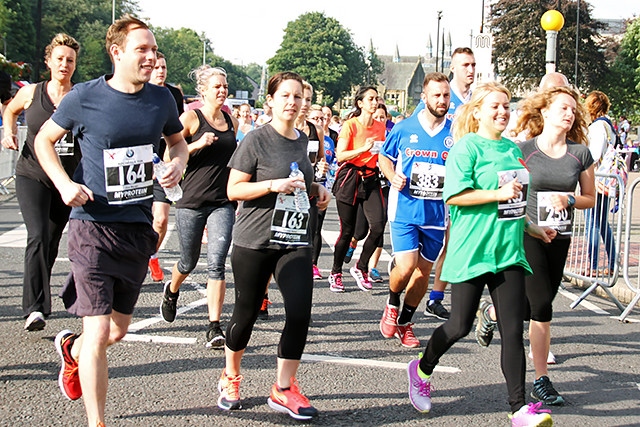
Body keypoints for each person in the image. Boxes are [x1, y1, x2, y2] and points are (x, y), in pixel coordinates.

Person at [34, 15, 188, 427]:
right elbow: (42, 140)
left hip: (136, 228)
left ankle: (72, 350)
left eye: (154, 50)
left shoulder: (161, 100)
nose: (152, 57)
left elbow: (178, 142)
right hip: (91, 225)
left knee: (116, 331)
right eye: (143, 50)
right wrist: (65, 184)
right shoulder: (83, 97)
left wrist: (177, 164)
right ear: (117, 52)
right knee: (100, 332)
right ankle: (97, 422)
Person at [405, 82, 555, 427]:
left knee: (513, 330)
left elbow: (514, 202)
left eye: (506, 106)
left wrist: (533, 228)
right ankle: (422, 368)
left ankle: (518, 408)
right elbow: (454, 197)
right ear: (477, 112)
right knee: (458, 325)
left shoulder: (513, 150)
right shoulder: (466, 148)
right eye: (495, 107)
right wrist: (496, 193)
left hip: (508, 252)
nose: (503, 112)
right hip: (472, 250)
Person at [218, 71, 330, 420]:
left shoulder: (304, 138)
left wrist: (317, 191)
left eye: (297, 97)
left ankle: (283, 388)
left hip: (294, 239)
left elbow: (303, 180)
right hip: (254, 240)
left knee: (299, 311)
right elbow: (233, 190)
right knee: (246, 313)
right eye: (285, 96)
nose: (292, 103)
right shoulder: (255, 139)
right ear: (271, 100)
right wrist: (271, 185)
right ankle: (231, 375)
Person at [509, 86, 594, 406]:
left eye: (573, 110)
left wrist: (568, 198)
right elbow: (512, 193)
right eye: (563, 108)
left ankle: (491, 312)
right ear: (544, 112)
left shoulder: (580, 153)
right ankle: (541, 380)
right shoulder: (524, 150)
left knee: (536, 305)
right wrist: (527, 224)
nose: (570, 114)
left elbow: (589, 197)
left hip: (561, 237)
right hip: (529, 235)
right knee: (543, 305)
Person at [2, 34, 82, 332]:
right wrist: (8, 132)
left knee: (50, 241)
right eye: (59, 59)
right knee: (36, 236)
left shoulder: (80, 96)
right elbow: (10, 110)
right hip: (32, 174)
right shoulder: (32, 93)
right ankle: (34, 308)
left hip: (66, 181)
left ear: (75, 65)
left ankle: (40, 293)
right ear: (49, 62)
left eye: (70, 60)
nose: (64, 64)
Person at [159, 65, 238, 349]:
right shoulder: (191, 118)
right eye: (217, 87)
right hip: (191, 200)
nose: (222, 91)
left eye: (225, 87)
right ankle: (172, 288)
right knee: (188, 262)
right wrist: (197, 145)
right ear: (203, 91)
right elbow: (170, 152)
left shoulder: (231, 121)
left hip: (222, 202)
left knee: (217, 263)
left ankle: (214, 326)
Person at [378, 72, 452, 348]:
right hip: (405, 209)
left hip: (435, 213)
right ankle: (392, 302)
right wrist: (391, 175)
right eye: (436, 95)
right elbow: (384, 156)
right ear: (424, 97)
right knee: (407, 266)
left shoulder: (454, 133)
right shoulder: (405, 128)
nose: (442, 100)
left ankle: (406, 322)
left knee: (423, 272)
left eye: (446, 95)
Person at [328, 86, 386, 292]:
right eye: (370, 99)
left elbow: (382, 154)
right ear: (360, 103)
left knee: (379, 225)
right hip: (350, 177)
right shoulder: (350, 125)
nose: (374, 102)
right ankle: (335, 272)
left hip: (371, 178)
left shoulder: (381, 127)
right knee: (348, 231)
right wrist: (363, 148)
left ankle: (361, 267)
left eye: (376, 98)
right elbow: (340, 155)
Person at [148, 51, 185, 282]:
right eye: (157, 67)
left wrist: (176, 162)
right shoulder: (138, 91)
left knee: (160, 219)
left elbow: (179, 134)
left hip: (165, 165)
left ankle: (151, 254)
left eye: (164, 67)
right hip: (139, 165)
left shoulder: (172, 95)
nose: (161, 71)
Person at [584, 91, 617, 277]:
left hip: (597, 180)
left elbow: (593, 156)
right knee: (602, 224)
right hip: (608, 180)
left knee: (592, 223)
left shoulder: (597, 128)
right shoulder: (610, 127)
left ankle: (592, 265)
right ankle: (612, 262)